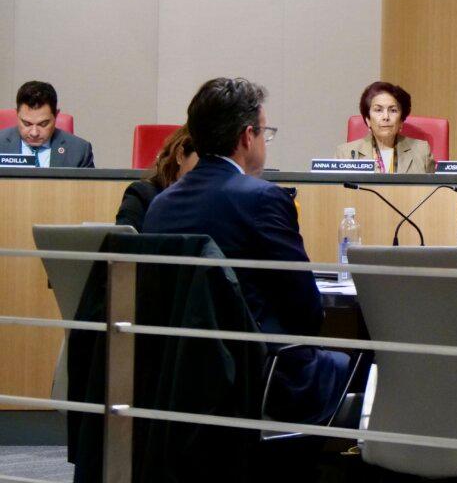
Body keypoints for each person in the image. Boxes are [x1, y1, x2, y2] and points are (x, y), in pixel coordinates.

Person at [143, 77, 349, 425]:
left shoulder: (161, 205)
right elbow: (307, 312)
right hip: (257, 376)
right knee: (359, 365)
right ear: (247, 137)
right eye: (265, 133)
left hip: (177, 379)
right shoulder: (262, 198)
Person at [335, 81, 434, 173]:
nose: (386, 117)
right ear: (368, 120)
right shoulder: (345, 154)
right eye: (378, 110)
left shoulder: (421, 151)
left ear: (401, 120)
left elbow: (435, 186)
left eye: (393, 110)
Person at [114, 127, 197, 231]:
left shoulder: (209, 200)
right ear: (180, 156)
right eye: (203, 160)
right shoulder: (142, 194)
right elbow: (122, 238)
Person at [0, 81, 94, 167]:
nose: (34, 133)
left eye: (43, 124)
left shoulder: (79, 151)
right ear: (17, 114)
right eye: (27, 124)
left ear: (56, 115)